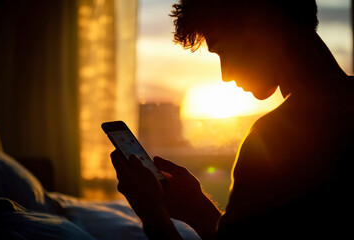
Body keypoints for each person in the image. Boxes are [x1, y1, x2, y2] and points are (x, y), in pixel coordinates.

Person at [110, 0, 354, 239]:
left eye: (222, 51)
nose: (225, 75)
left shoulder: (274, 138)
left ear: (259, 24)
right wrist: (198, 209)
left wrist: (152, 214)